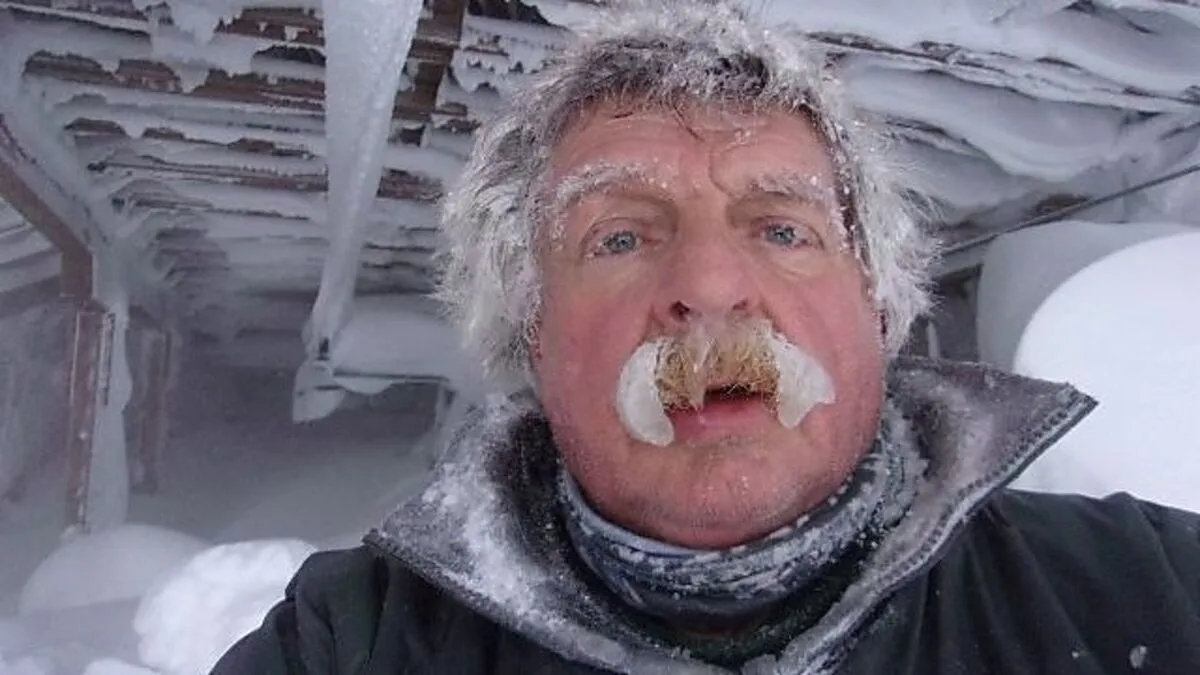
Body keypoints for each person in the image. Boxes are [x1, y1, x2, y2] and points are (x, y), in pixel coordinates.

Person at [212, 2, 1200, 673]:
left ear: (877, 306)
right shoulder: (353, 645)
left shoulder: (1143, 593)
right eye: (623, 236)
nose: (712, 286)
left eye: (783, 228)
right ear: (534, 335)